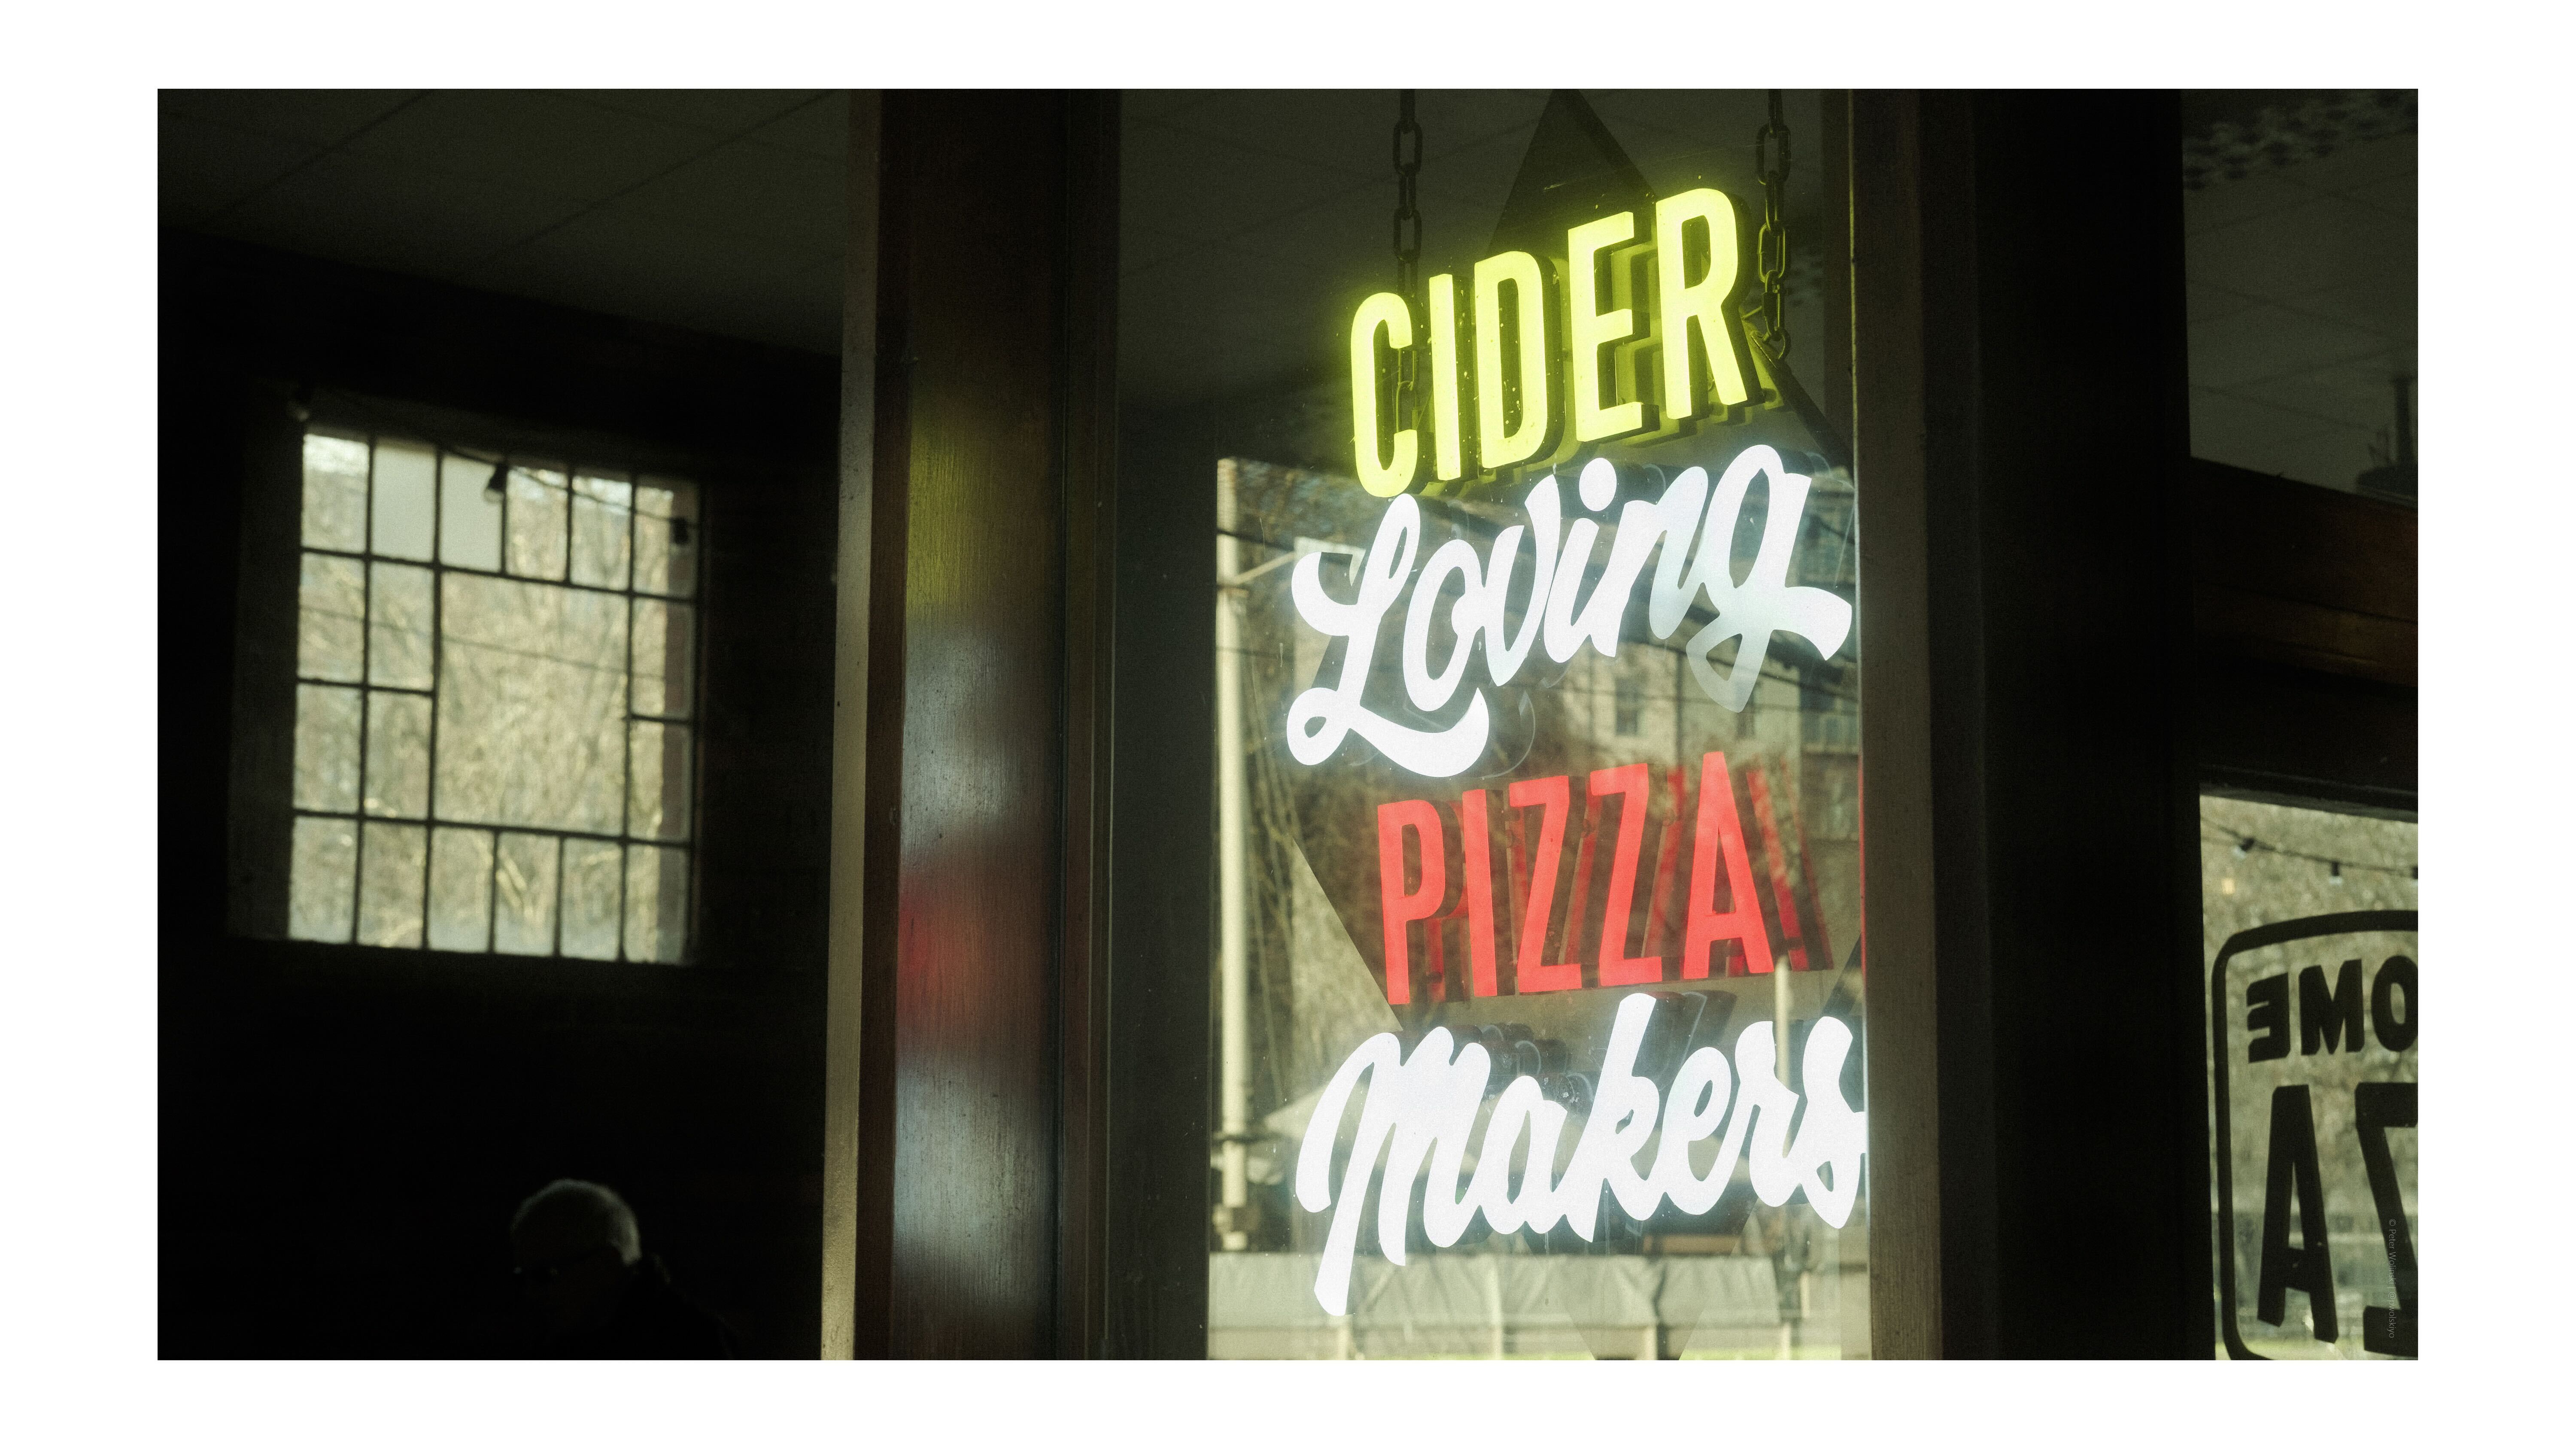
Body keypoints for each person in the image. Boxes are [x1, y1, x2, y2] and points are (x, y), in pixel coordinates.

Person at [510, 1179, 738, 1358]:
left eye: (545, 1275)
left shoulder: (692, 1343)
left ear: (605, 1265)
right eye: (523, 1278)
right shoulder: (557, 1343)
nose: (530, 1293)